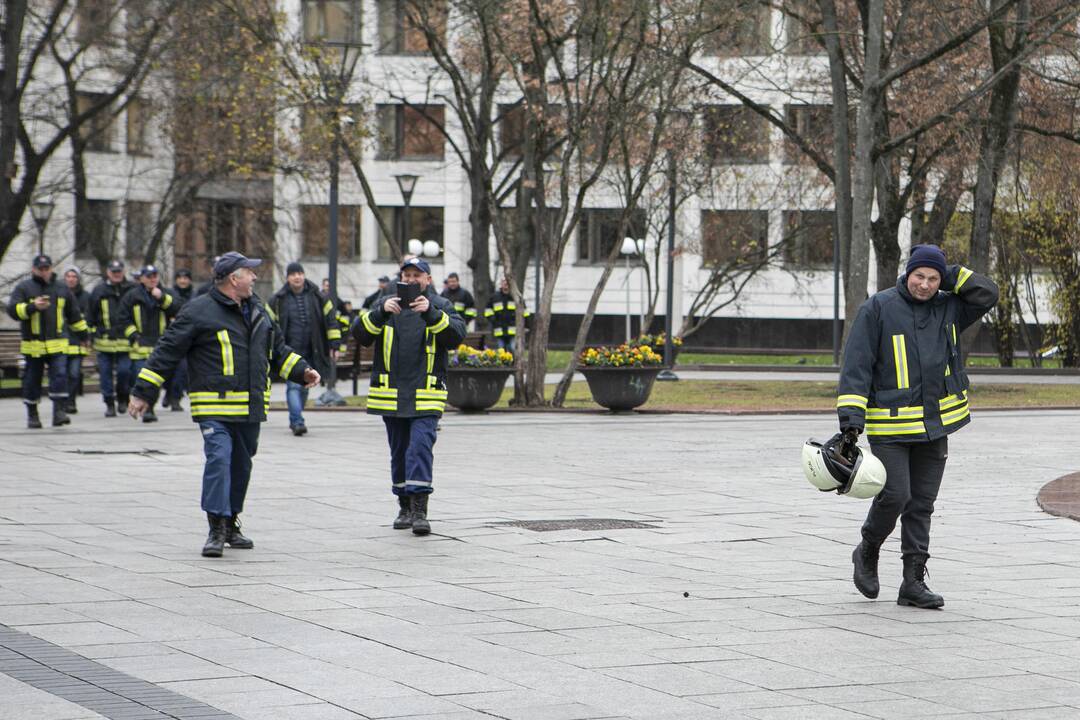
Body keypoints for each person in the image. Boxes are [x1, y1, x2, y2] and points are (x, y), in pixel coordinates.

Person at [128, 252, 321, 557]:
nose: (255, 277)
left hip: (250, 407)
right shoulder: (199, 310)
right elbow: (167, 351)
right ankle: (215, 528)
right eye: (250, 272)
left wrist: (302, 370)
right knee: (220, 459)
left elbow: (278, 350)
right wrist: (143, 392)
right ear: (234, 278)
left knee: (241, 466)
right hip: (214, 406)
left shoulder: (259, 309)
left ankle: (231, 522)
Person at [838, 244, 998, 609]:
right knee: (895, 496)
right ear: (907, 273)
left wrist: (951, 271)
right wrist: (851, 425)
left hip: (934, 427)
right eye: (919, 276)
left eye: (932, 278)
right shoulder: (877, 308)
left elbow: (988, 293)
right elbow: (856, 368)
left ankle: (912, 582)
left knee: (922, 503)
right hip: (890, 429)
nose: (924, 284)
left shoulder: (950, 307)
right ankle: (867, 549)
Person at [355, 257, 466, 535]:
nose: (412, 279)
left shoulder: (440, 306)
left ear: (428, 280)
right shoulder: (385, 302)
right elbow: (359, 334)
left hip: (426, 394)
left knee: (419, 448)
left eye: (418, 275)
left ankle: (419, 509)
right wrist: (380, 312)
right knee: (400, 452)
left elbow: (456, 336)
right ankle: (404, 505)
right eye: (407, 274)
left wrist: (431, 313)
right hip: (391, 394)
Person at [6, 254, 89, 428]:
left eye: (47, 268)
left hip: (57, 344)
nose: (44, 272)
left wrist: (84, 336)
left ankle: (59, 413)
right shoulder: (24, 287)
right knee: (32, 380)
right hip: (33, 346)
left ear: (51, 269)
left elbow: (73, 314)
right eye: (40, 269)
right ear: (34, 270)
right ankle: (33, 414)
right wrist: (32, 306)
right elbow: (12, 310)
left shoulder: (61, 288)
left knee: (60, 376)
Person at [269, 261, 343, 436]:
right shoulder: (277, 300)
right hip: (288, 352)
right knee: (293, 387)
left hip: (312, 350)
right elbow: (268, 325)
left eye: (299, 273)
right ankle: (297, 421)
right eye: (293, 274)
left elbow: (331, 320)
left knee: (304, 386)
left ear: (303, 275)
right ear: (287, 278)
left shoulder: (318, 296)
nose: (297, 277)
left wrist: (334, 344)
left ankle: (296, 416)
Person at [118, 265, 178, 423]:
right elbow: (123, 318)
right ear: (142, 278)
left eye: (155, 276)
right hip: (140, 345)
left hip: (160, 344)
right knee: (139, 375)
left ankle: (150, 408)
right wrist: (133, 335)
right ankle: (142, 405)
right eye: (149, 276)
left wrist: (162, 298)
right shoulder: (132, 296)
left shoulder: (166, 294)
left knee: (155, 379)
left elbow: (178, 310)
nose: (152, 279)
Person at [87, 259, 135, 416]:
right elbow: (90, 314)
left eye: (119, 272)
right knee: (105, 374)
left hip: (125, 340)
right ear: (108, 273)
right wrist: (92, 332)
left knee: (124, 372)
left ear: (123, 272)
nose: (117, 275)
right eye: (114, 272)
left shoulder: (131, 289)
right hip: (104, 340)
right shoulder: (99, 290)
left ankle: (123, 397)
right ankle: (109, 403)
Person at [163, 269, 194, 412]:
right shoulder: (169, 294)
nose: (183, 281)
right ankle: (168, 393)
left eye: (186, 278)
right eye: (180, 278)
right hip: (170, 337)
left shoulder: (194, 296)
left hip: (188, 340)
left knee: (182, 370)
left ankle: (175, 398)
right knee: (168, 370)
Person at [61, 267, 91, 415]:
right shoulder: (58, 294)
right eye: (68, 276)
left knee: (74, 374)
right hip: (60, 341)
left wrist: (86, 336)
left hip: (78, 341)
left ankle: (70, 400)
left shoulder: (85, 296)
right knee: (62, 374)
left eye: (74, 276)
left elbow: (89, 318)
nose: (71, 279)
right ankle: (64, 401)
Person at [484, 276, 530, 353]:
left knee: (512, 348)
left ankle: (513, 364)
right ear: (501, 284)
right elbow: (488, 311)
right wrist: (493, 320)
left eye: (507, 281)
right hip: (499, 329)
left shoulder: (517, 297)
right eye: (503, 281)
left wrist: (527, 326)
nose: (505, 283)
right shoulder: (494, 297)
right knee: (501, 350)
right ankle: (503, 365)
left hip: (513, 330)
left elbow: (524, 312)